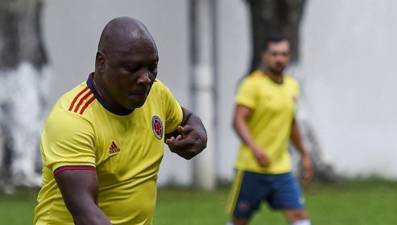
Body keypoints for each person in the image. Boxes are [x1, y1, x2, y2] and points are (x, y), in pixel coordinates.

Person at [34, 17, 207, 225]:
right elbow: (85, 213)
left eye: (152, 67)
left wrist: (198, 134)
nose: (146, 79)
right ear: (101, 63)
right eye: (132, 68)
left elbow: (186, 119)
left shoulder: (156, 94)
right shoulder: (73, 119)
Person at [226, 34, 313, 225]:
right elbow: (238, 121)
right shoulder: (252, 84)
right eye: (274, 54)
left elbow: (291, 123)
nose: (279, 58)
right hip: (252, 167)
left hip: (281, 167)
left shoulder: (292, 85)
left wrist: (304, 154)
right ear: (264, 55)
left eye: (284, 54)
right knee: (240, 221)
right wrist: (256, 149)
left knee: (299, 216)